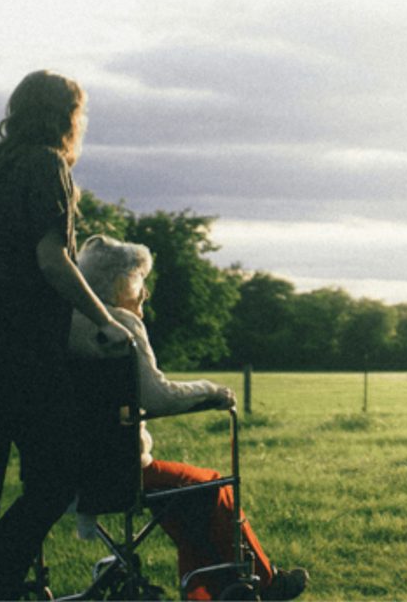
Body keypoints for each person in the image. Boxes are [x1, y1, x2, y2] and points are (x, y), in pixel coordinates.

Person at [0, 70, 137, 600]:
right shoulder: (46, 166)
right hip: (17, 358)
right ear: (66, 117)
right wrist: (105, 321)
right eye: (79, 114)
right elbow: (53, 259)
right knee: (58, 477)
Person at [68, 235, 309, 601]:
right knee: (212, 486)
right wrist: (212, 391)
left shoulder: (68, 325)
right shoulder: (120, 328)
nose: (144, 292)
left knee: (188, 500)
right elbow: (158, 396)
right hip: (122, 470)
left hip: (72, 470)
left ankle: (209, 591)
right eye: (139, 281)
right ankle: (263, 583)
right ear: (119, 283)